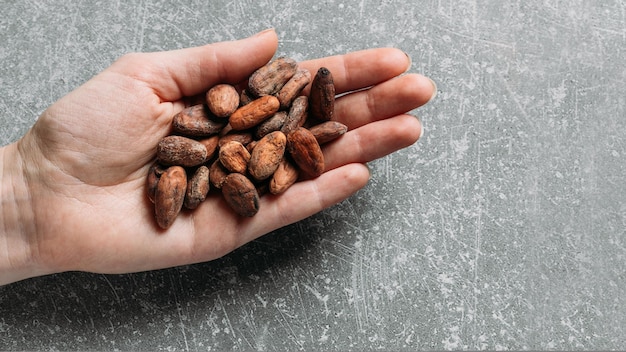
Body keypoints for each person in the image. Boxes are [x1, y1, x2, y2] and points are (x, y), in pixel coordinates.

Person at [0, 29, 436, 286]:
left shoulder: (268, 124)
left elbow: (265, 136)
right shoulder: (222, 144)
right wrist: (26, 186)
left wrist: (25, 190)